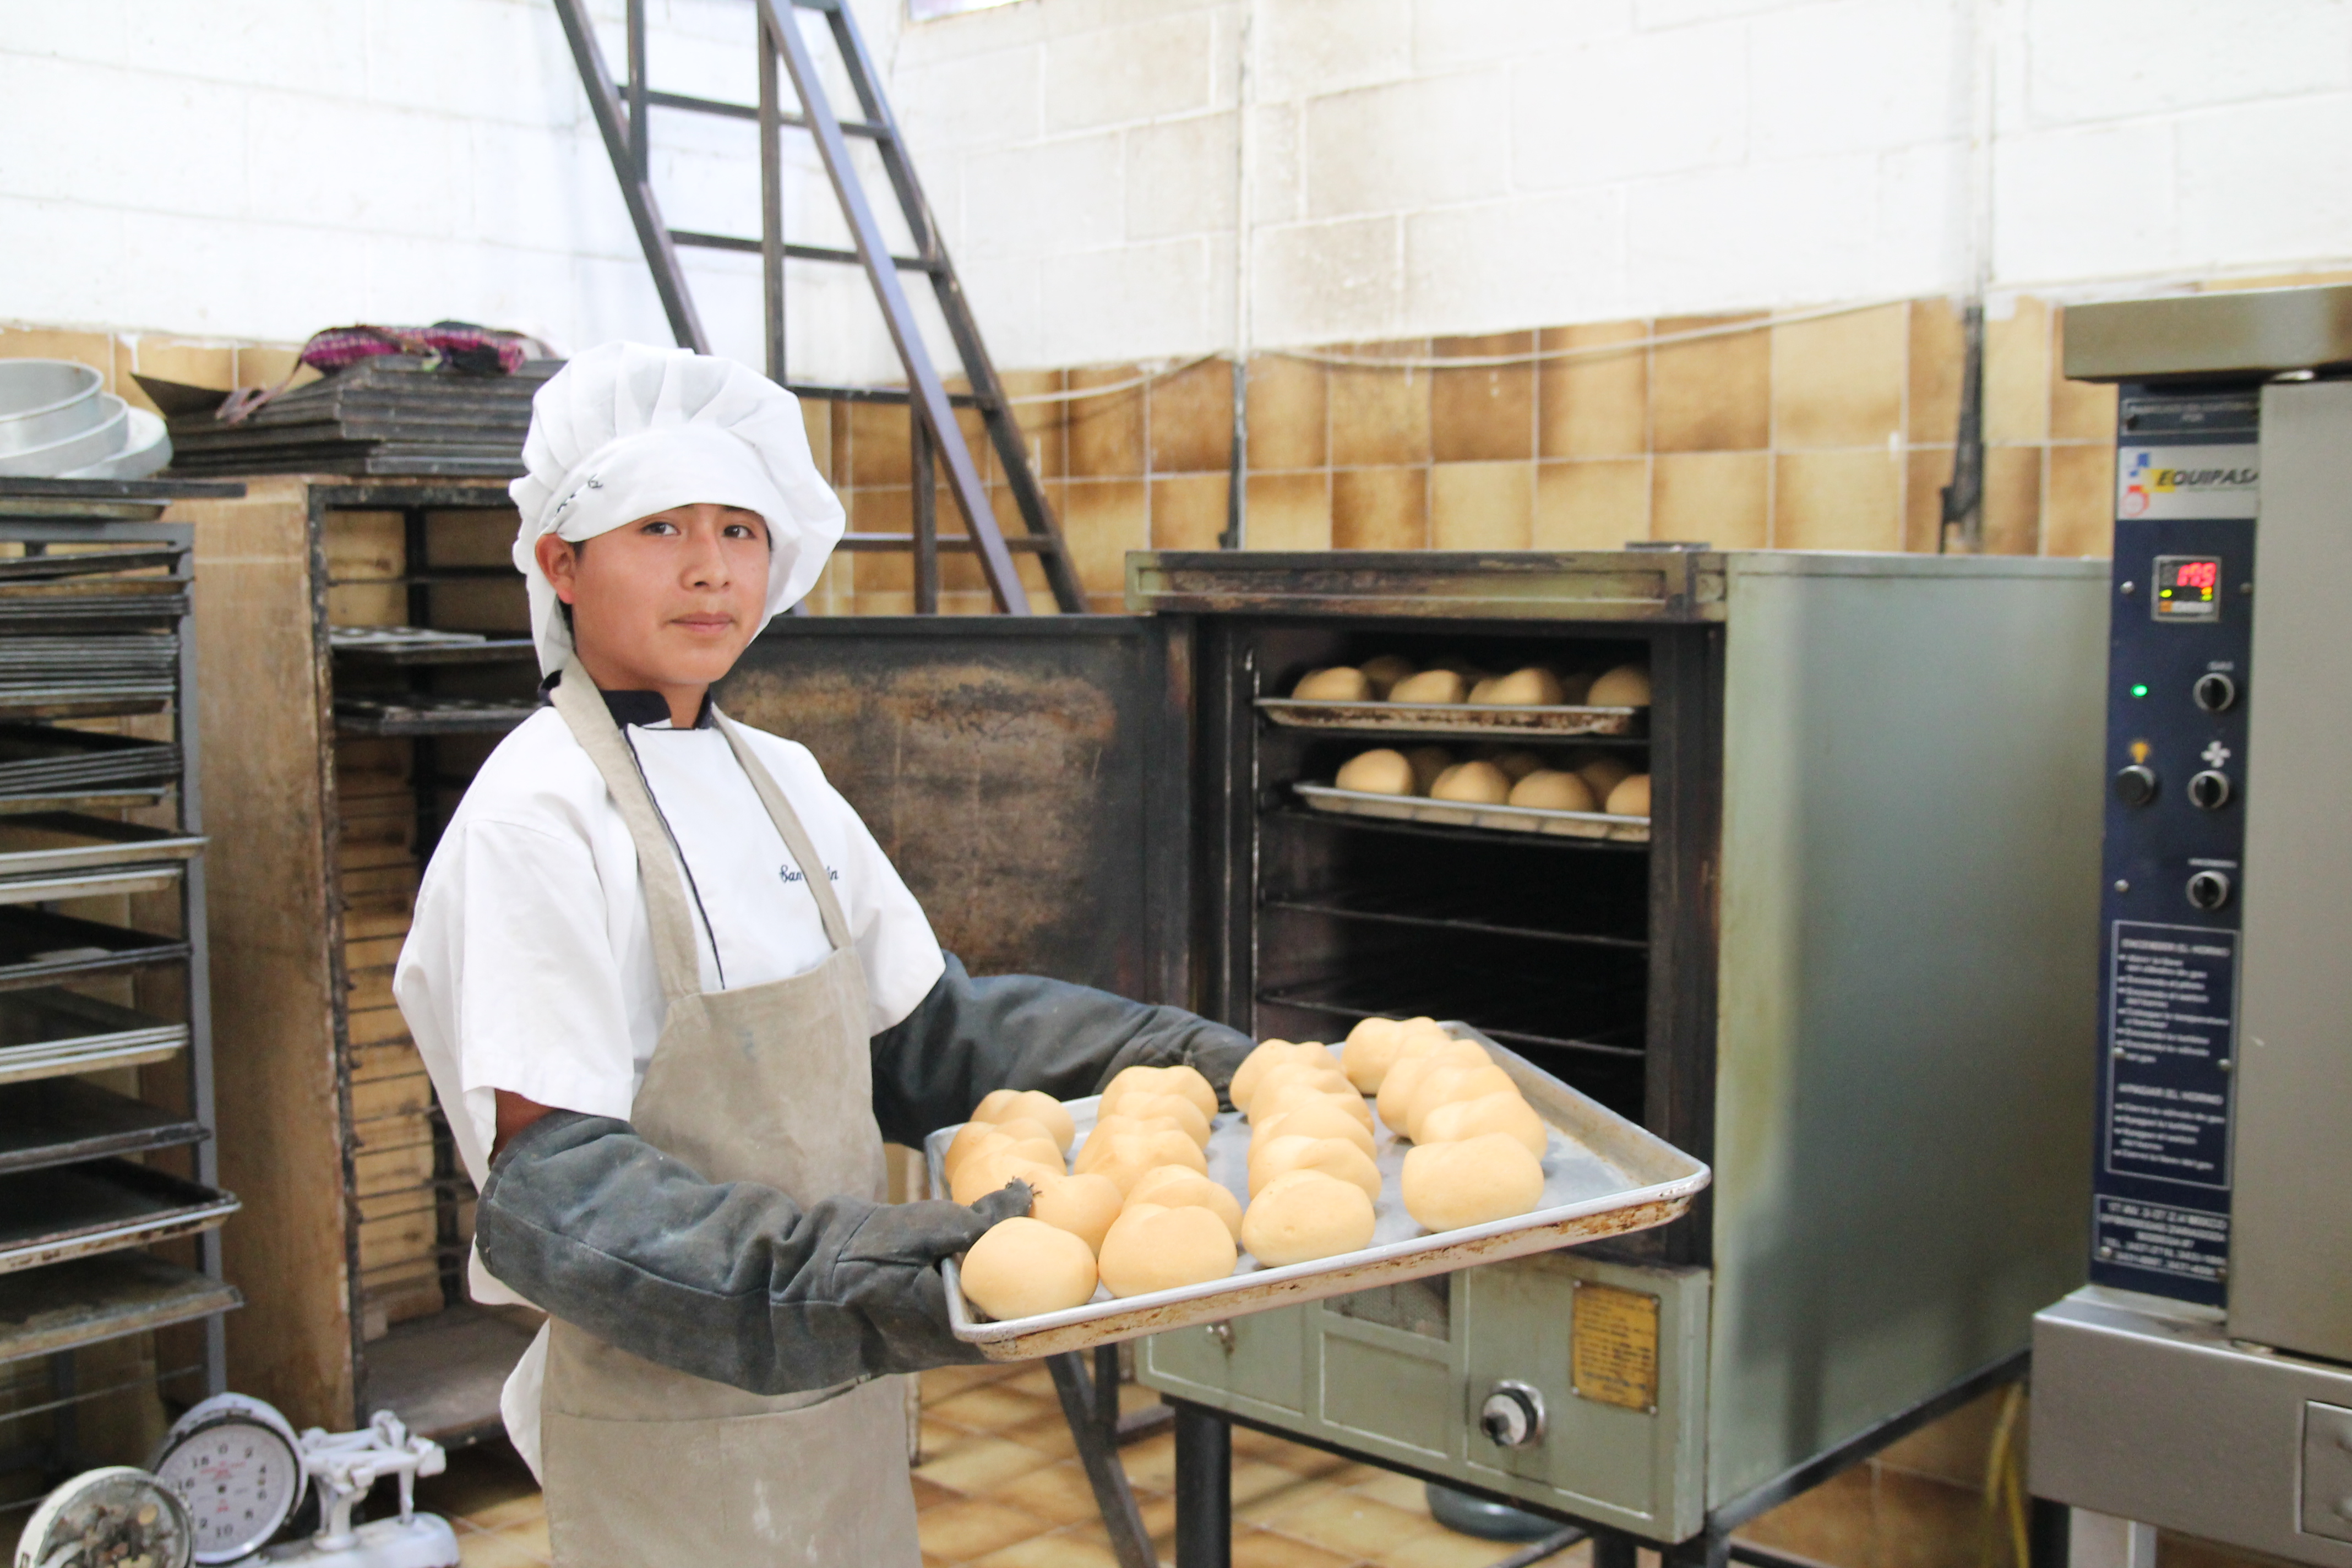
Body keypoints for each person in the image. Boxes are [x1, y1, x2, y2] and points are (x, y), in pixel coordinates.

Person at [393, 342, 1249, 1568]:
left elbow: (925, 1036)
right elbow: (558, 1191)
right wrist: (852, 1273)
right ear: (560, 561)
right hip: (670, 1417)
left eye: (741, 528)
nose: (709, 567)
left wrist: (1173, 1052)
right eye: (659, 527)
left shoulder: (779, 778)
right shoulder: (538, 813)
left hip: (838, 1395)